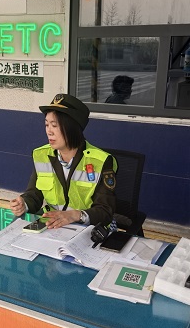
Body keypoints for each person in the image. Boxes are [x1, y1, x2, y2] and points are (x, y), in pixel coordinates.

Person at [9, 93, 117, 229]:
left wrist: (75, 215)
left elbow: (105, 211)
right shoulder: (42, 155)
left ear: (72, 128)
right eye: (46, 124)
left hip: (88, 227)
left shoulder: (101, 161)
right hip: (53, 224)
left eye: (54, 125)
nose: (49, 131)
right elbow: (34, 194)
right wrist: (23, 204)